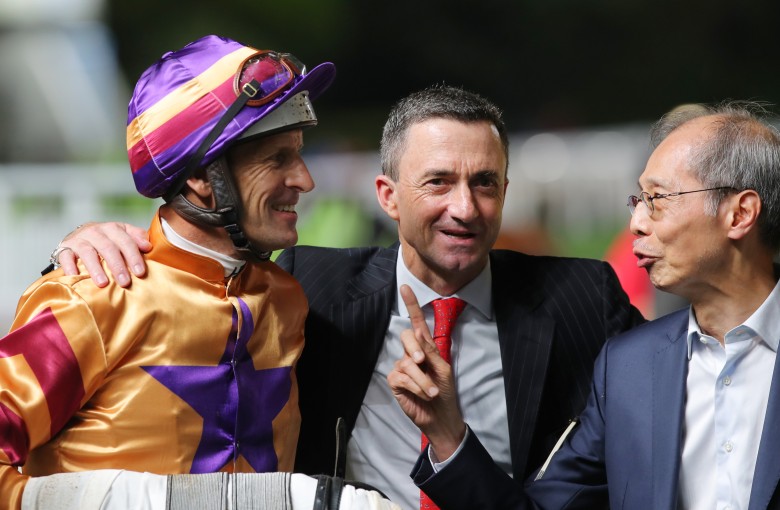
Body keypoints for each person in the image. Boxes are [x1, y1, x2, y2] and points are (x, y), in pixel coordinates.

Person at [52, 85, 645, 509]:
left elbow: (678, 385)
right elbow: (194, 268)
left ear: (506, 192)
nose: (465, 208)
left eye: (484, 183)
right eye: (438, 182)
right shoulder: (307, 284)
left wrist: (450, 437)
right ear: (387, 196)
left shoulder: (582, 296)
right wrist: (82, 243)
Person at [1, 34, 398, 510]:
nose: (304, 180)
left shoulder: (288, 299)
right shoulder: (92, 295)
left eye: (299, 153)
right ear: (199, 177)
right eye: (277, 159)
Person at [389, 100, 780, 509]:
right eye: (638, 200)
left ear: (740, 213)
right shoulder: (628, 367)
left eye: (658, 199)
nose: (636, 224)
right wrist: (450, 437)